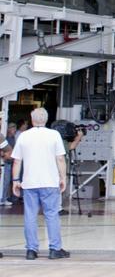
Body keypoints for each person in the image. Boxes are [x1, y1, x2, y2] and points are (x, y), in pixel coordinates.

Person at [11, 107, 67, 259]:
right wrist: (63, 178)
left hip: (29, 182)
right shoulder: (54, 135)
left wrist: (16, 181)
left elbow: (17, 161)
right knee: (52, 215)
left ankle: (31, 250)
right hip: (50, 182)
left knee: (30, 215)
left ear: (32, 119)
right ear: (46, 119)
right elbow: (60, 158)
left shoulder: (23, 136)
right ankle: (55, 249)